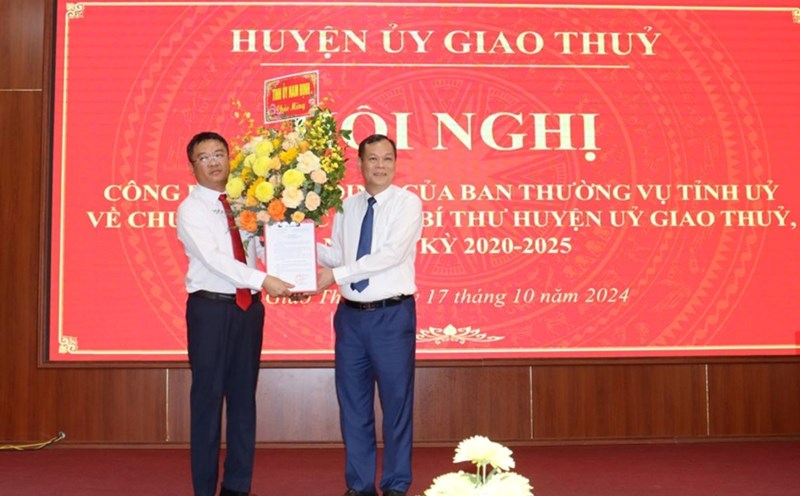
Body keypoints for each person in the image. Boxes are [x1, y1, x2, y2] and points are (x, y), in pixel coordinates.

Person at [177, 131, 294, 496]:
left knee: (244, 400)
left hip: (248, 311)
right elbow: (215, 260)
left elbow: (261, 247)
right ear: (193, 165)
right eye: (204, 157)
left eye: (219, 154)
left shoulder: (246, 201)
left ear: (230, 158)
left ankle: (237, 487)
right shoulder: (190, 210)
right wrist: (264, 279)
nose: (214, 162)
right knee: (208, 401)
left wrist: (294, 259)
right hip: (210, 310)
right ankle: (204, 489)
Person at [317, 134, 423, 496]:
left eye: (387, 159)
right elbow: (339, 256)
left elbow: (389, 256)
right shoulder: (346, 207)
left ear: (395, 163)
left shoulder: (408, 204)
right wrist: (292, 240)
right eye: (373, 159)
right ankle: (359, 485)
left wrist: (336, 274)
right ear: (359, 164)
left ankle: (395, 484)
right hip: (350, 319)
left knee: (396, 405)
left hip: (391, 317)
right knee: (353, 405)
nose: (380, 166)